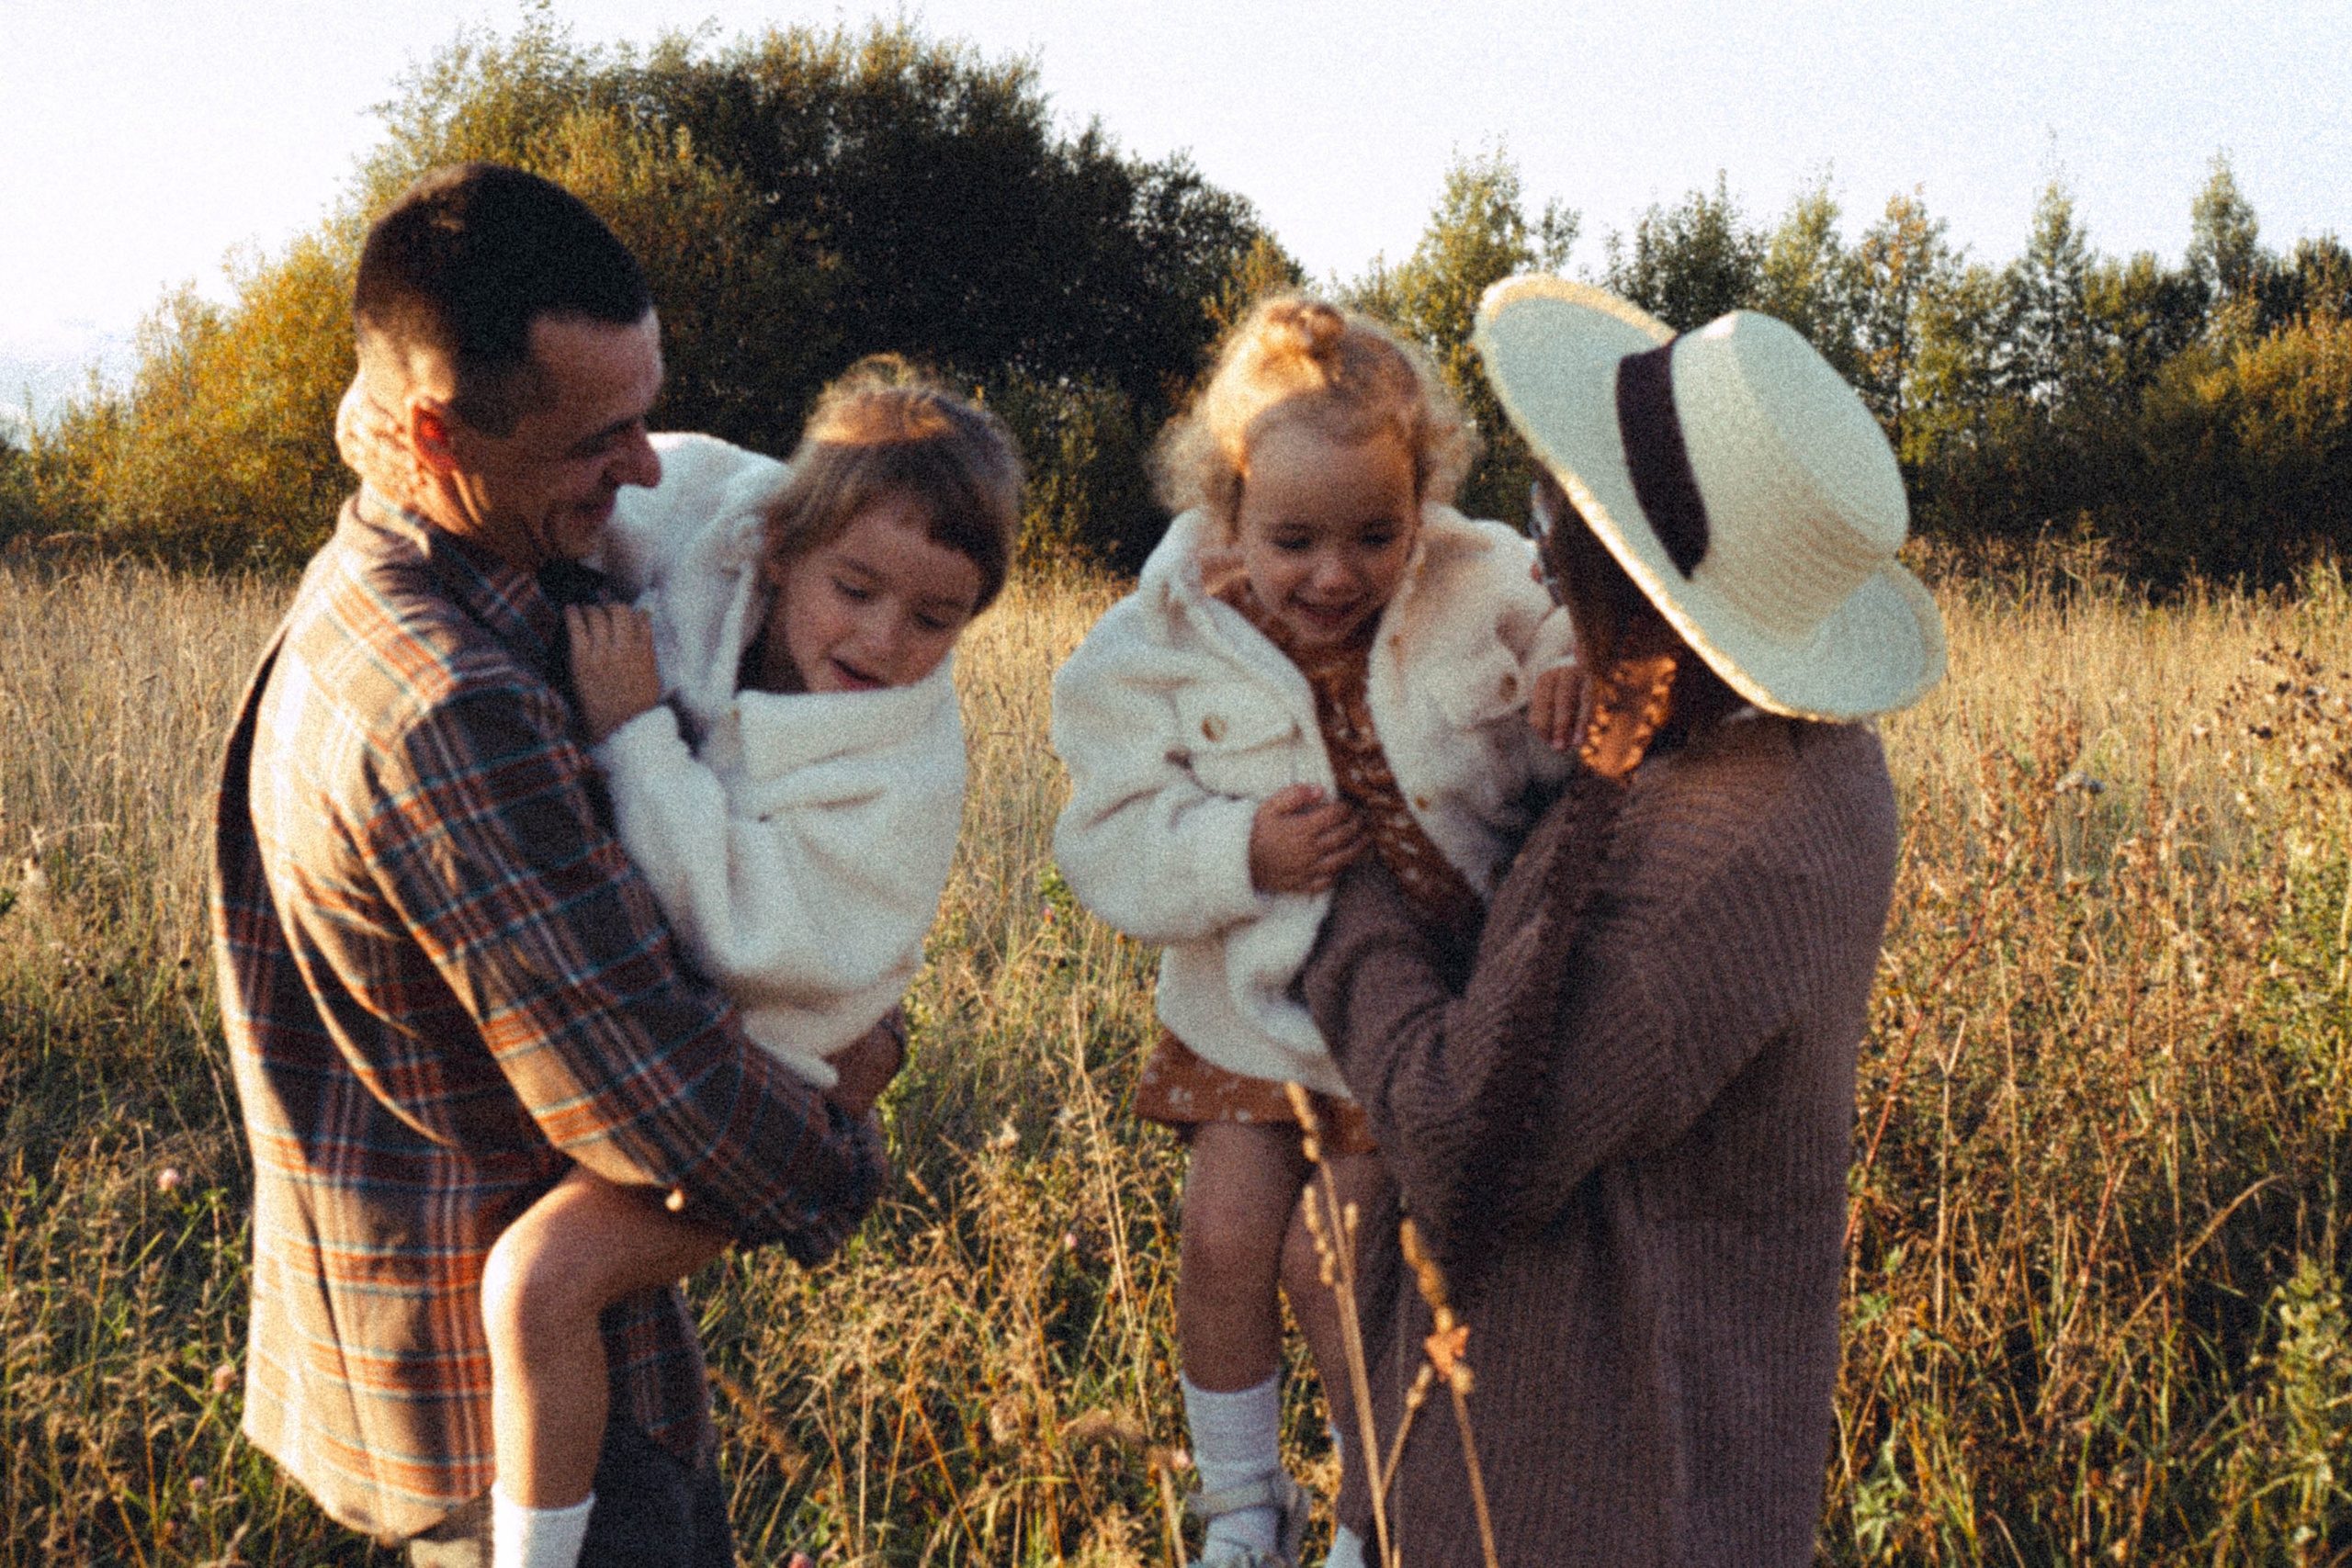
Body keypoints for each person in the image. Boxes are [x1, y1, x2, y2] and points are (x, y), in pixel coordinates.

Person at [210, 163, 901, 1568]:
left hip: (423, 1362)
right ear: (436, 432)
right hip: (527, 1443)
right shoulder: (450, 704)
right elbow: (662, 1103)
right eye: (599, 439)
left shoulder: (389, 559)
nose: (644, 469)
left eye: (647, 415)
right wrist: (854, 1088)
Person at [1297, 276, 1948, 1565]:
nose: (1535, 557)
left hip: (1576, 1493)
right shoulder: (1757, 755)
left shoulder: (1718, 845)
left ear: (1638, 574)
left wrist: (1348, 890)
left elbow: (1464, 1146)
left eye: (1559, 519)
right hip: (1625, 1476)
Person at [1049, 295, 1575, 1567]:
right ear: (1227, 507)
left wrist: (1567, 659)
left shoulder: (1478, 577)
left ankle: (1374, 1516)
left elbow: (1557, 614)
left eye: (1375, 535)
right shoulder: (1163, 637)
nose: (1335, 575)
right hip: (1252, 1008)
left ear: (1424, 498)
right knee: (1223, 1240)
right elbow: (1104, 836)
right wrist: (1237, 852)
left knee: (1333, 1261)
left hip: (1418, 1014)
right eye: (1293, 540)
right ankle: (1242, 1510)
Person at [476, 367, 1020, 1568]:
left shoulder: (906, 766)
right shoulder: (730, 514)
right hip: (638, 1033)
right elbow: (615, 495)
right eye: (856, 590)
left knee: (538, 1284)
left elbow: (751, 938)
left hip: (761, 1085)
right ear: (781, 544)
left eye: (935, 619)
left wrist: (634, 734)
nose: (883, 640)